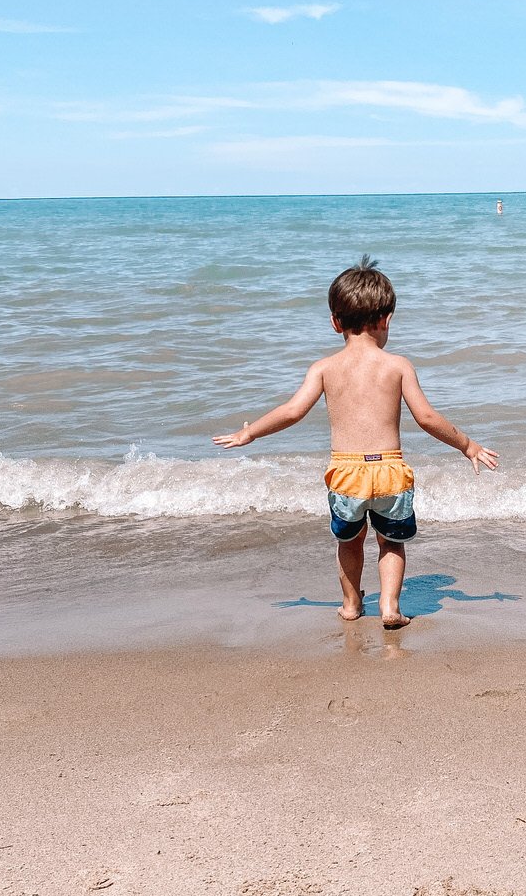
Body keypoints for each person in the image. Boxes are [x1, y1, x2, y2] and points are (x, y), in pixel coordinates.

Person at [213, 258, 498, 628]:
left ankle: (351, 605)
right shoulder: (398, 365)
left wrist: (249, 433)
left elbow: (293, 410)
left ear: (335, 322)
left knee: (349, 542)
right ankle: (391, 608)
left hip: (346, 472)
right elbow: (426, 418)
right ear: (387, 319)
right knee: (391, 543)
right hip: (389, 470)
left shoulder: (323, 368)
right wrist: (467, 445)